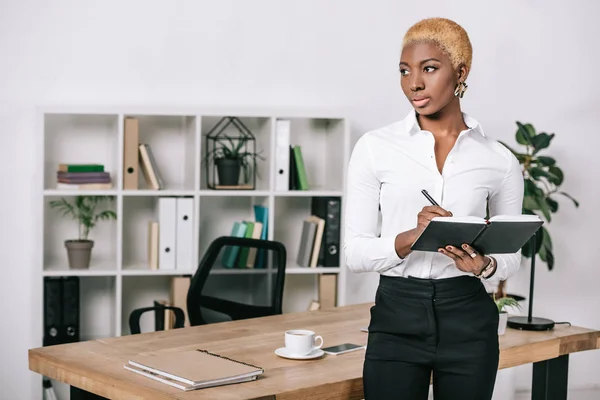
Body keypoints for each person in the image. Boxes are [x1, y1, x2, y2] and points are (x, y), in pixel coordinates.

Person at [343, 17, 524, 400]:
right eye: (405, 71)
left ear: (461, 72)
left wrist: (485, 265)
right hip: (396, 316)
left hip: (469, 320)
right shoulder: (375, 148)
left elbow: (511, 256)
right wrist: (411, 237)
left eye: (429, 68)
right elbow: (355, 252)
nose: (414, 83)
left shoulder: (499, 160)